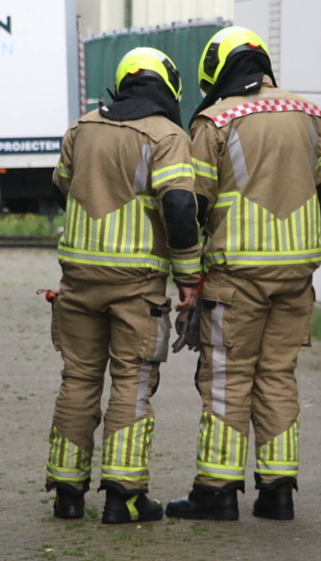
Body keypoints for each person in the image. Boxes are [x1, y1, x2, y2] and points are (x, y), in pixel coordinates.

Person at [165, 27, 321, 521]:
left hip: (236, 275)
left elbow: (197, 199)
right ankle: (278, 492)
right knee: (277, 376)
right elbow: (317, 180)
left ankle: (216, 492)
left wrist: (187, 269)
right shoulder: (310, 114)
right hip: (296, 272)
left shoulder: (215, 120)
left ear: (217, 69)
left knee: (227, 379)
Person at [44, 47, 201, 524]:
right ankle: (123, 497)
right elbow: (179, 205)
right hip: (136, 283)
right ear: (170, 87)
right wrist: (188, 277)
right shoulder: (168, 136)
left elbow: (62, 183)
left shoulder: (81, 128)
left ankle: (67, 493)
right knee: (132, 382)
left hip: (78, 277)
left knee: (78, 379)